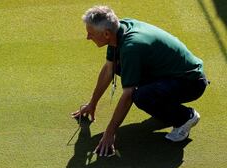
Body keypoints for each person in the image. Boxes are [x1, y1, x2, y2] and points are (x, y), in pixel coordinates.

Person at [72, 6, 208, 156]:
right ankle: (166, 108)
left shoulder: (131, 47)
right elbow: (109, 69)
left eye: (91, 34)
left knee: (141, 96)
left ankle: (185, 117)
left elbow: (128, 95)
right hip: (169, 74)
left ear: (105, 34)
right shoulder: (117, 30)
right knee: (119, 66)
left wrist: (110, 133)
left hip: (191, 82)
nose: (87, 37)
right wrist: (93, 103)